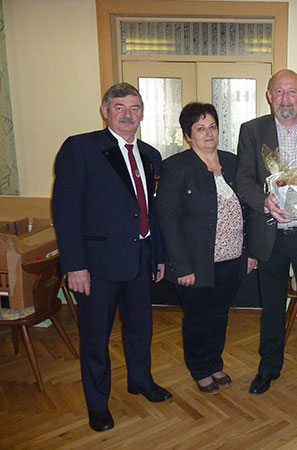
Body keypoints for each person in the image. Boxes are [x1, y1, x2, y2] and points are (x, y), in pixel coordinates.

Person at [52, 83, 172, 432]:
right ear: (105, 111)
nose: (127, 115)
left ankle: (141, 381)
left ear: (142, 114)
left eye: (134, 108)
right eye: (119, 107)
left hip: (141, 258)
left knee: (140, 329)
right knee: (95, 337)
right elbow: (65, 209)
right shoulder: (81, 148)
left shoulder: (150, 154)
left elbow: (153, 211)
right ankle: (98, 405)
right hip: (97, 266)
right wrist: (74, 265)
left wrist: (159, 255)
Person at [236, 69, 297, 400]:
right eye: (279, 92)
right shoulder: (252, 131)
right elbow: (243, 179)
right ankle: (269, 368)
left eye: (292, 92)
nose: (285, 99)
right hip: (271, 234)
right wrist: (264, 201)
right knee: (272, 306)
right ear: (269, 96)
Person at [156, 103, 255, 395]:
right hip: (196, 264)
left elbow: (249, 210)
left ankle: (214, 362)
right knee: (198, 317)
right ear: (188, 135)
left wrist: (250, 253)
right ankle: (199, 368)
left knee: (220, 314)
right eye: (200, 128)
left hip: (233, 258)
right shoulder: (176, 167)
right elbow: (168, 219)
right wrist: (181, 266)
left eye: (212, 126)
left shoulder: (233, 162)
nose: (208, 133)